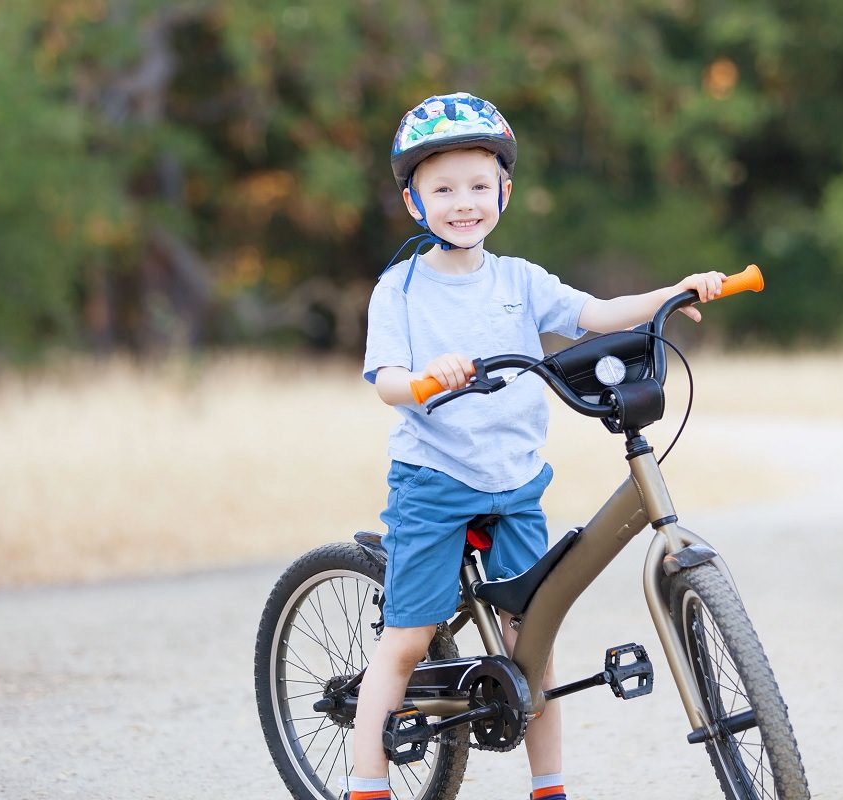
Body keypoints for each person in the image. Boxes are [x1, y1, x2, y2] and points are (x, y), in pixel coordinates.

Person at [349, 91, 727, 800]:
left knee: (537, 643)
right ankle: (366, 782)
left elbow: (596, 314)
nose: (463, 202)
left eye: (478, 187)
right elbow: (388, 383)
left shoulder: (520, 282)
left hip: (515, 482)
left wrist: (672, 292)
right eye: (443, 189)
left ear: (504, 192)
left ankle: (548, 787)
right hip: (434, 480)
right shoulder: (398, 290)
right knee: (406, 639)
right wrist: (428, 379)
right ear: (413, 202)